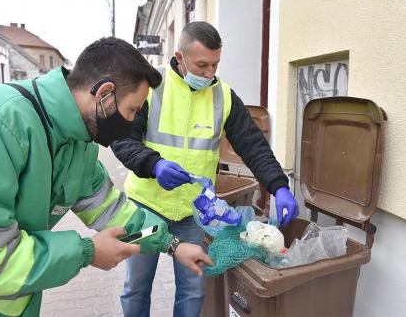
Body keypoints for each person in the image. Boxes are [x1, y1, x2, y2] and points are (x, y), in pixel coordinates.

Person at [0, 37, 212, 317]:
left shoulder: (78, 144)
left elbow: (114, 212)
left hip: (16, 302)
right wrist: (86, 252)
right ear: (105, 94)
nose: (133, 123)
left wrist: (174, 245)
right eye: (132, 110)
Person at [111, 22, 299, 317]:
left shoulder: (223, 96)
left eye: (215, 64)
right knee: (136, 285)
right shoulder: (149, 86)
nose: (210, 73)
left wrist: (279, 186)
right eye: (201, 65)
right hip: (144, 208)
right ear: (179, 56)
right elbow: (121, 138)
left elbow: (253, 145)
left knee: (193, 289)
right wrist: (154, 164)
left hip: (193, 214)